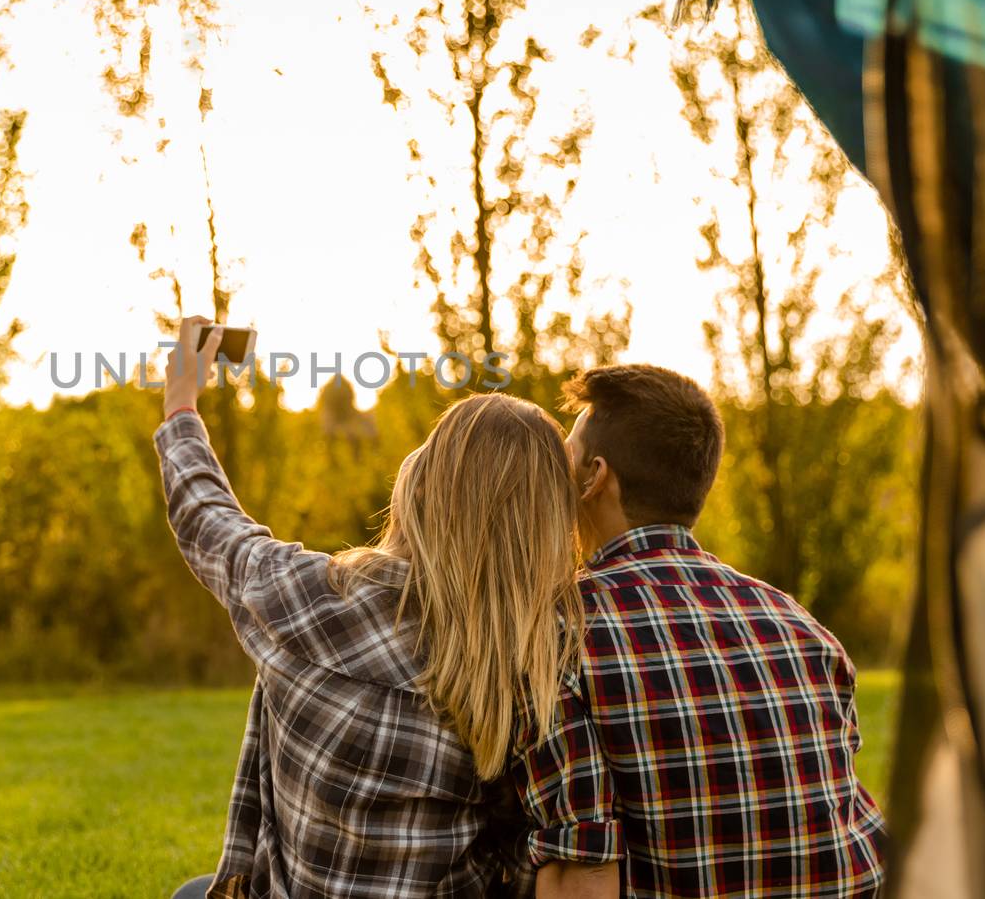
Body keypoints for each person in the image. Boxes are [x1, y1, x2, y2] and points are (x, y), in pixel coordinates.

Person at [155, 317, 596, 899]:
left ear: (424, 485)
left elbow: (207, 517)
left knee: (195, 893)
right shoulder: (543, 657)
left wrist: (181, 402)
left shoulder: (308, 595)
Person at [510, 364, 886, 898]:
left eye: (565, 463)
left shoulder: (560, 636)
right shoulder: (803, 628)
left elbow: (579, 870)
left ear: (593, 477)